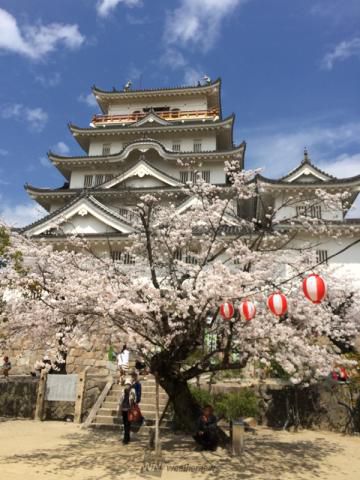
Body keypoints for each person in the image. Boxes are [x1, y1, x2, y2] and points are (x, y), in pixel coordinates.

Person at [119, 377, 136, 444]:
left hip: (129, 409)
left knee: (128, 424)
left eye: (128, 384)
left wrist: (132, 397)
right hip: (123, 409)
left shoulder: (132, 391)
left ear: (130, 385)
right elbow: (120, 400)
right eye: (126, 384)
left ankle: (125, 439)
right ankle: (127, 437)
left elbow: (134, 399)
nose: (127, 386)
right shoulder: (123, 391)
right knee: (125, 423)